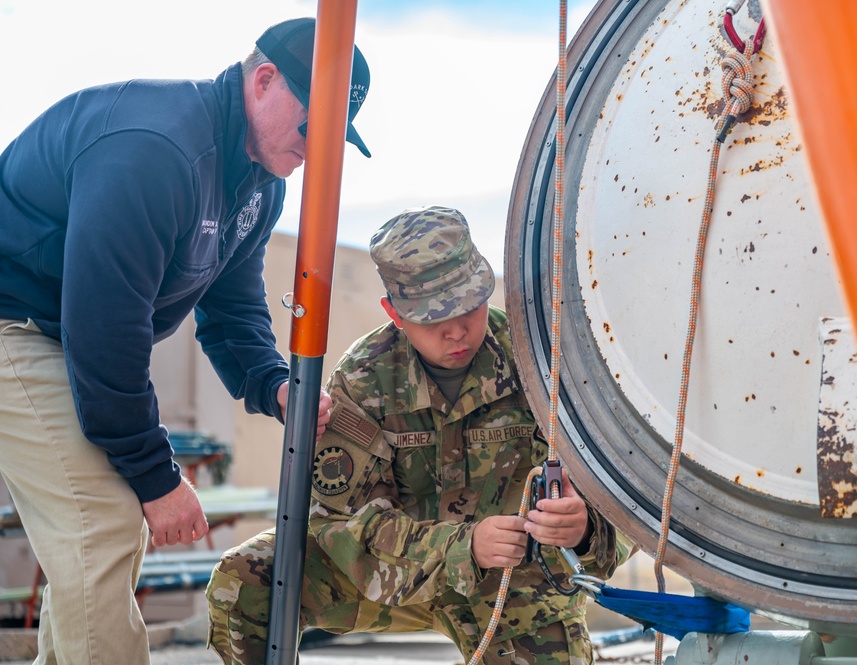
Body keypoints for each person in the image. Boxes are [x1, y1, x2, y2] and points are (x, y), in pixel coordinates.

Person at [0, 17, 369, 665]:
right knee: (103, 520)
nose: (318, 150)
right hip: (15, 319)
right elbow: (105, 328)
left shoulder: (259, 183)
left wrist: (271, 382)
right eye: (313, 127)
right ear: (263, 81)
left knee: (101, 530)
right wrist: (157, 475)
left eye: (335, 139)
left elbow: (232, 302)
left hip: (64, 332)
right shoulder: (154, 151)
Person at [206, 206, 632, 665]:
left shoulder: (542, 364)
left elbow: (627, 501)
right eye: (432, 318)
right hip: (393, 574)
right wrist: (461, 547)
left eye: (468, 307)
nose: (456, 331)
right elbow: (339, 527)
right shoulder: (364, 378)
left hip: (512, 578)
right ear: (394, 313)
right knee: (246, 580)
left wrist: (584, 529)